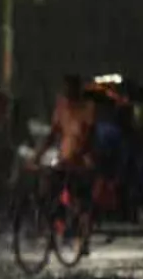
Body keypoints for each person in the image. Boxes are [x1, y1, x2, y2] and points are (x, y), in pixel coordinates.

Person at [30, 74, 97, 255]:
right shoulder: (61, 107)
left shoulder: (87, 108)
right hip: (64, 160)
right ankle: (53, 230)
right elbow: (53, 135)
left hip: (81, 163)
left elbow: (88, 137)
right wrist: (37, 156)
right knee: (50, 191)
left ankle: (83, 238)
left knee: (81, 201)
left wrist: (80, 155)